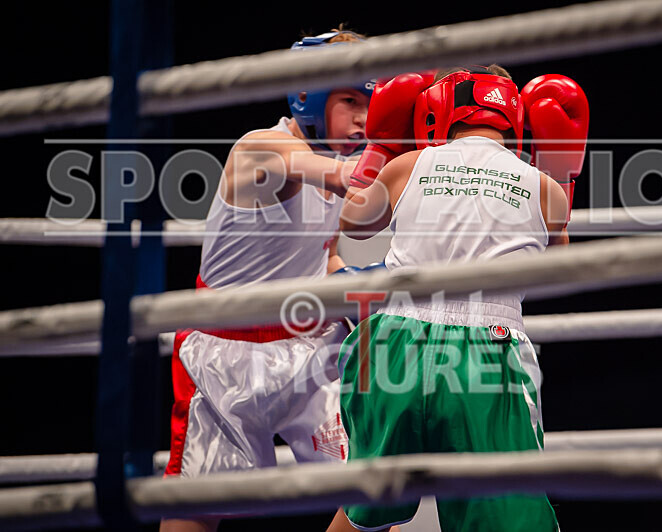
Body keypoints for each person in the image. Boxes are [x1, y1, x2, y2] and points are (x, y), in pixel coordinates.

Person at [337, 65, 589, 531]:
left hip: (392, 345)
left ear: (437, 109)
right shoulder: (542, 186)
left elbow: (353, 223)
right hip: (486, 353)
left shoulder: (409, 165)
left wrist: (382, 149)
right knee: (507, 519)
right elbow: (559, 268)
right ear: (516, 117)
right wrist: (561, 178)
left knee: (364, 514)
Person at [160, 27, 372, 532]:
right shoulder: (261, 148)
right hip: (227, 351)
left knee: (372, 489)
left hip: (310, 346)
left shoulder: (337, 161)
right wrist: (425, 163)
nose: (363, 118)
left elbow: (321, 257)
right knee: (198, 507)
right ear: (307, 95)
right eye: (350, 101)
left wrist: (361, 299)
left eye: (372, 103)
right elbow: (325, 173)